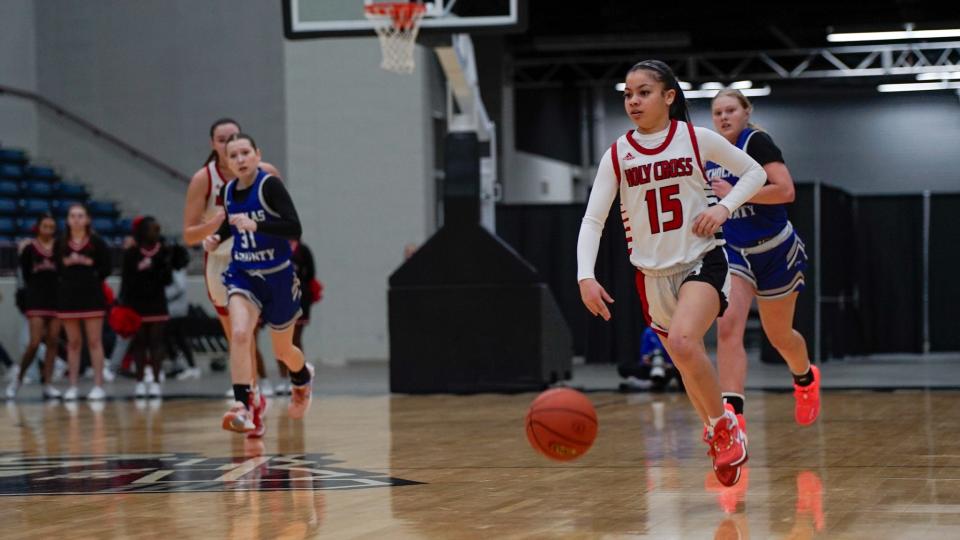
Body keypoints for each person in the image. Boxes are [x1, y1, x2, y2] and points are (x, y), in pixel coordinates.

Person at [576, 60, 765, 486]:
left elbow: (754, 172)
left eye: (644, 92)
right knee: (683, 357)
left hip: (702, 259)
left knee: (681, 341)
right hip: (651, 274)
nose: (634, 101)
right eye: (628, 94)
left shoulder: (697, 139)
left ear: (668, 96)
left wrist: (723, 208)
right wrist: (584, 275)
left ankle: (725, 425)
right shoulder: (617, 154)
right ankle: (717, 429)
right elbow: (593, 220)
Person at [707, 89, 820, 428]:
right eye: (717, 112)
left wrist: (739, 195)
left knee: (780, 335)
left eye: (730, 110)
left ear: (745, 112)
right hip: (735, 253)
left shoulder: (756, 142)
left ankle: (805, 379)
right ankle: (733, 415)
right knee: (727, 327)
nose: (724, 117)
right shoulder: (709, 154)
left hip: (775, 250)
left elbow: (786, 191)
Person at [203, 133, 314, 439]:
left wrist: (258, 225)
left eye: (244, 153)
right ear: (226, 161)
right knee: (240, 334)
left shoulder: (270, 186)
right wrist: (217, 237)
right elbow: (231, 223)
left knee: (283, 351)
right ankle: (243, 405)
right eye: (233, 155)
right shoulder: (227, 191)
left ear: (256, 154)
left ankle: (302, 378)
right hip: (243, 273)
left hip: (277, 275)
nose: (239, 159)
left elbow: (294, 227)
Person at [182, 118, 280, 395]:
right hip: (223, 263)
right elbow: (189, 235)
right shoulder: (204, 179)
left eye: (233, 136)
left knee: (262, 333)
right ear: (213, 145)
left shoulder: (266, 173)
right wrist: (218, 223)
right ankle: (250, 391)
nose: (228, 143)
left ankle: (280, 379)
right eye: (222, 139)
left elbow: (284, 220)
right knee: (238, 334)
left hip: (261, 257)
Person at [55, 203, 112, 400]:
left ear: (87, 219)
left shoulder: (96, 242)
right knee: (73, 343)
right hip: (68, 297)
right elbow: (56, 269)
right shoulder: (60, 243)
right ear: (68, 220)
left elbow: (107, 268)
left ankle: (98, 385)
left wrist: (92, 271)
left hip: (92, 297)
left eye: (80, 216)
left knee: (95, 342)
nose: (76, 219)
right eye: (72, 216)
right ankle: (73, 386)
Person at [6, 213, 62, 400]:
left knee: (53, 341)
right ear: (38, 227)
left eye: (51, 227)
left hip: (56, 298)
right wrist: (24, 300)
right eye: (45, 226)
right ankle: (18, 378)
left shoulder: (59, 248)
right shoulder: (29, 249)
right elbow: (24, 278)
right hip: (36, 299)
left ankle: (48, 384)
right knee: (34, 342)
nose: (48, 230)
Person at [120, 216, 172, 398]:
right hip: (137, 305)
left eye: (157, 230)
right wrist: (123, 305)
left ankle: (156, 380)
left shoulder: (163, 252)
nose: (156, 233)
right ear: (142, 231)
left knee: (157, 343)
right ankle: (140, 381)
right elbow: (126, 282)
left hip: (157, 303)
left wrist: (159, 267)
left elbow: (168, 280)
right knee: (139, 344)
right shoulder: (131, 253)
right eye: (152, 229)